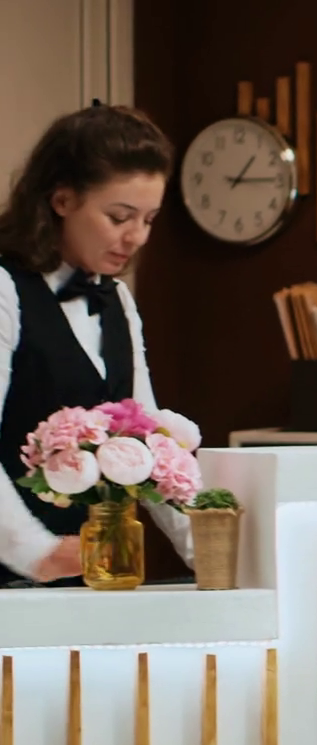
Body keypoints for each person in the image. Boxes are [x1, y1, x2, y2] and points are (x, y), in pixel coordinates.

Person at [0, 103, 193, 585]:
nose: (136, 237)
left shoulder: (117, 300)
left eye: (148, 219)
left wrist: (207, 548)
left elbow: (150, 442)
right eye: (119, 216)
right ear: (62, 199)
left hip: (87, 575)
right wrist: (35, 551)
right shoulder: (6, 288)